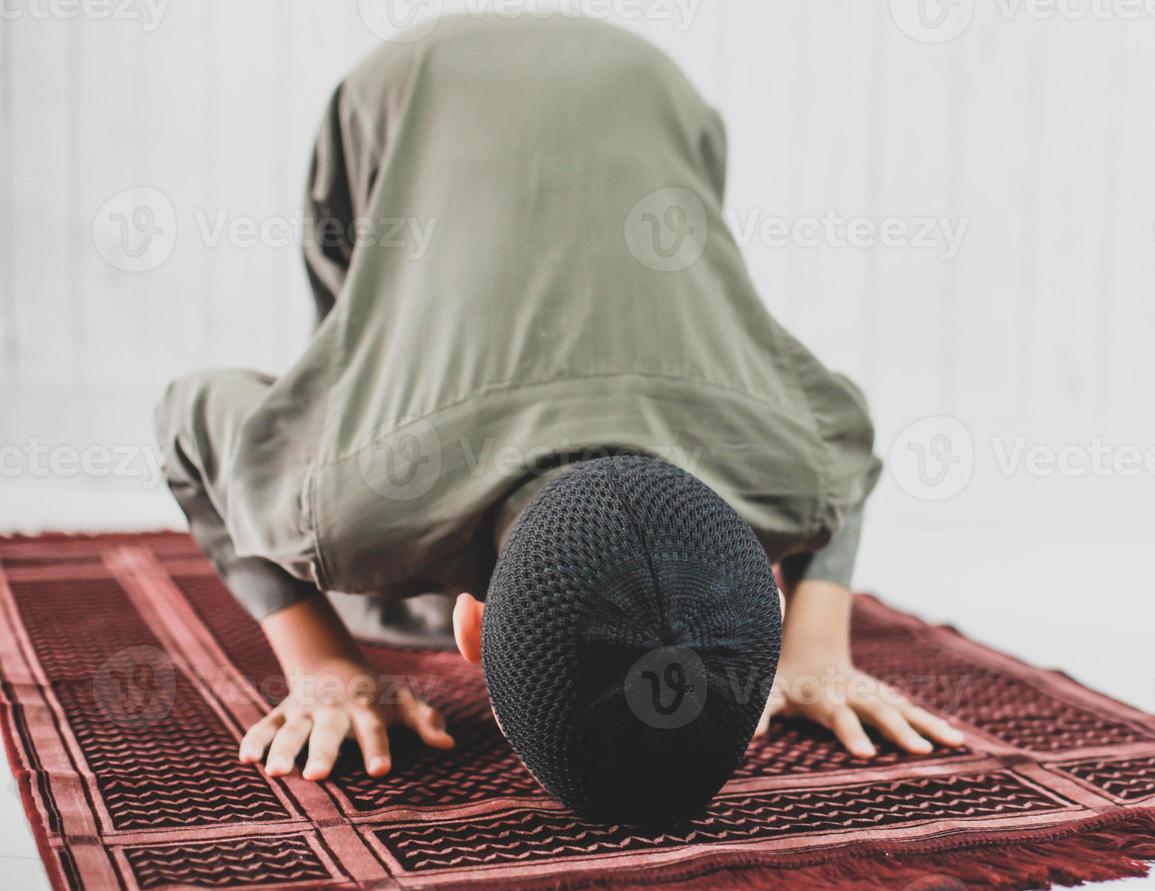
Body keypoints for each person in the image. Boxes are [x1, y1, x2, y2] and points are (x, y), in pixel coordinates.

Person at [155, 15, 962, 821]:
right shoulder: (343, 507)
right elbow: (186, 418)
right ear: (471, 631)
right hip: (415, 88)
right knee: (358, 334)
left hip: (652, 86)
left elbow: (842, 450)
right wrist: (321, 662)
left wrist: (817, 646)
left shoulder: (782, 470)